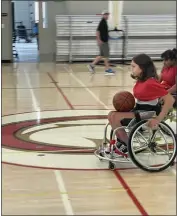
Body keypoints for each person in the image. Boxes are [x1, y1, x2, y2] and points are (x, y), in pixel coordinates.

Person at [107, 53, 175, 156]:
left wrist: (158, 119)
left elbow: (170, 100)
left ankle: (127, 145)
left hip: (148, 113)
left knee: (115, 117)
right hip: (139, 111)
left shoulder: (150, 82)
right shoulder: (141, 81)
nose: (131, 68)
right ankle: (122, 142)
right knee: (111, 115)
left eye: (134, 66)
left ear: (142, 68)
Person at [87, 10, 114, 75]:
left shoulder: (104, 22)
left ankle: (92, 65)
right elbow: (97, 31)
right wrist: (99, 40)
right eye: (105, 14)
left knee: (101, 55)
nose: (107, 16)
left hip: (104, 41)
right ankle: (107, 69)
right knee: (106, 56)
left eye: (107, 14)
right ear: (103, 15)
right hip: (103, 42)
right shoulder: (102, 22)